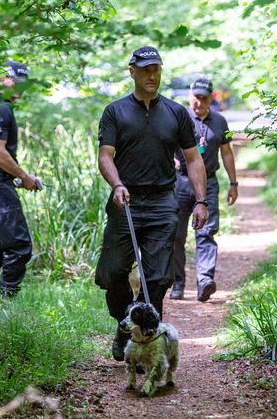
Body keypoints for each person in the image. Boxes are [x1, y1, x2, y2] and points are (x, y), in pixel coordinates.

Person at [95, 46, 208, 362]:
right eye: (145, 70)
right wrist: (116, 184)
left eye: (156, 69)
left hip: (162, 202)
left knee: (157, 279)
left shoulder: (175, 113)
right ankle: (123, 325)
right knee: (112, 273)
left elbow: (193, 159)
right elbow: (106, 155)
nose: (152, 75)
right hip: (125, 202)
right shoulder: (115, 112)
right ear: (132, 72)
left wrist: (201, 200)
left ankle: (146, 345)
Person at [0, 60, 41, 299]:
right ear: (3, 80)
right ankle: (7, 300)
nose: (19, 89)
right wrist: (24, 176)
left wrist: (21, 177)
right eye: (15, 82)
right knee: (20, 246)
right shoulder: (1, 108)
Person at [170, 76, 238, 302]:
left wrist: (234, 183)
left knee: (206, 231)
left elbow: (227, 152)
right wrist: (171, 159)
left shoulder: (220, 121)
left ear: (211, 98)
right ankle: (178, 283)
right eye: (195, 97)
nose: (198, 102)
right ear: (189, 96)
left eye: (203, 98)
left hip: (208, 183)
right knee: (176, 235)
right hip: (181, 183)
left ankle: (204, 281)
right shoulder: (179, 118)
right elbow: (164, 142)